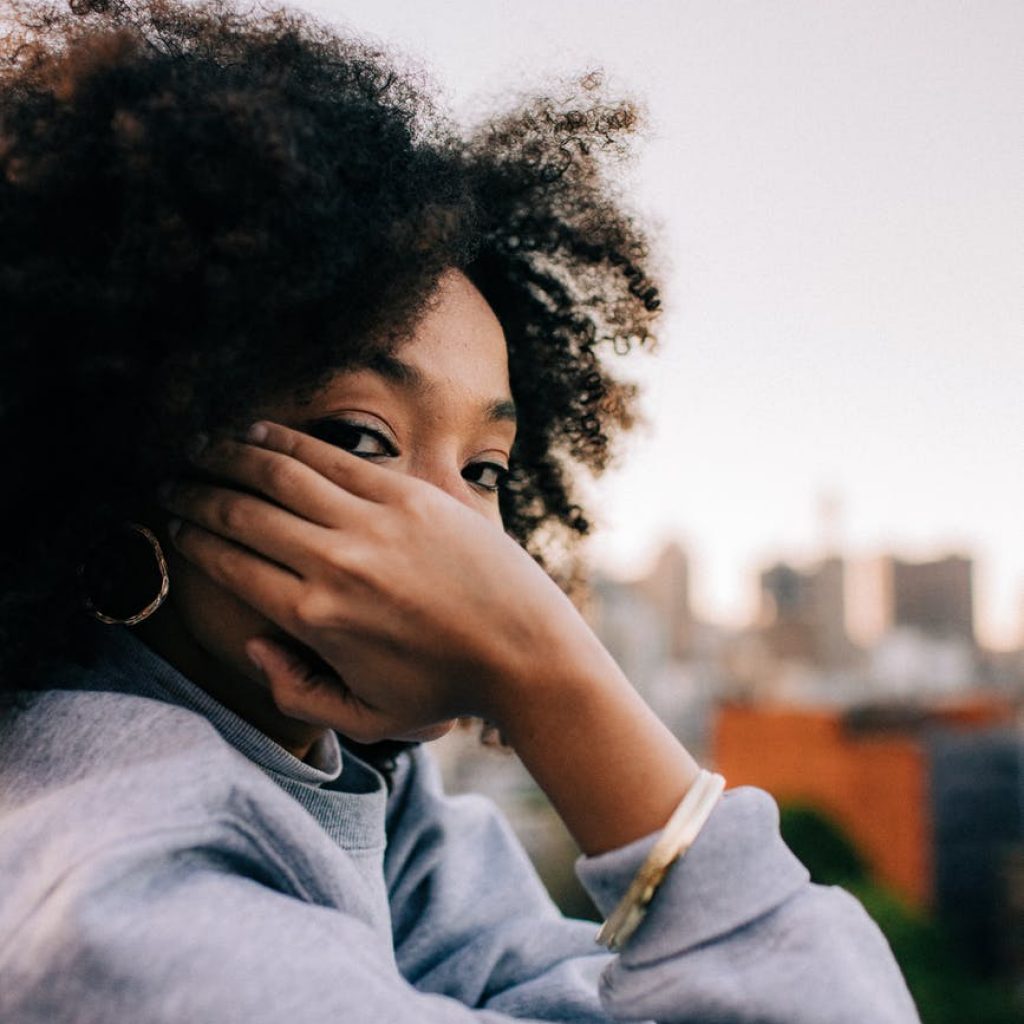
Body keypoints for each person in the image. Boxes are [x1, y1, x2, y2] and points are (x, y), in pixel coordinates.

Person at [0, 1, 921, 1021]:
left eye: (484, 469)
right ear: (134, 446)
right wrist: (548, 670)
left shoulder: (378, 803)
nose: (454, 535)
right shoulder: (124, 913)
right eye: (360, 437)